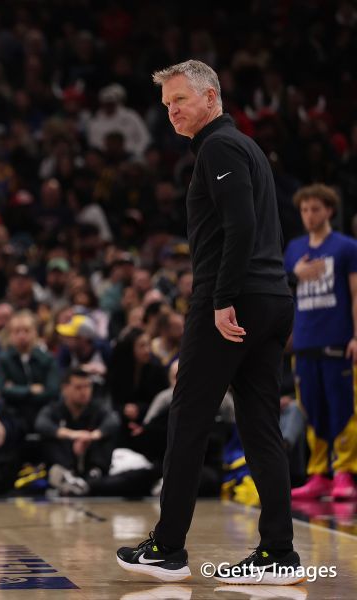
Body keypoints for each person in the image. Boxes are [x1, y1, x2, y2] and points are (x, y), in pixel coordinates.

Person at [117, 60, 303, 585]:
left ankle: (167, 547)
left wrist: (221, 299)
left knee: (189, 419)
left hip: (233, 299)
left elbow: (240, 225)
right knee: (260, 426)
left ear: (211, 97)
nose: (171, 111)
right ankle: (278, 552)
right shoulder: (246, 148)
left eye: (180, 100)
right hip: (271, 296)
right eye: (166, 104)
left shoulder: (218, 147)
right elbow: (263, 228)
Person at [284, 184, 357, 500]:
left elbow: (355, 294)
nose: (309, 215)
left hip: (337, 340)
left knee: (343, 408)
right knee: (311, 408)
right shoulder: (294, 249)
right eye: (304, 210)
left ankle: (344, 472)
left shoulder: (346, 247)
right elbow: (284, 293)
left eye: (315, 209)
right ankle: (318, 474)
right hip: (304, 342)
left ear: (329, 210)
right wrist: (295, 274)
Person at [35, 369, 119, 496]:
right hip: (65, 460)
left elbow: (113, 421)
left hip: (89, 458)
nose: (84, 391)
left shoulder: (98, 408)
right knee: (50, 437)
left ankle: (95, 474)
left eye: (88, 386)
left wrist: (92, 436)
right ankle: (66, 476)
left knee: (107, 435)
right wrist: (73, 435)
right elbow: (41, 424)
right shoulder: (54, 409)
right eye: (78, 387)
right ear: (65, 389)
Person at [0, 310, 60, 432]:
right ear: (10, 335)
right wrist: (30, 390)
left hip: (43, 411)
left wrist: (15, 389)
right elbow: (1, 390)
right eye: (17, 331)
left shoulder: (47, 359)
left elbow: (52, 391)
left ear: (35, 332)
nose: (22, 335)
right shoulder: (2, 360)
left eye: (26, 330)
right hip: (13, 413)